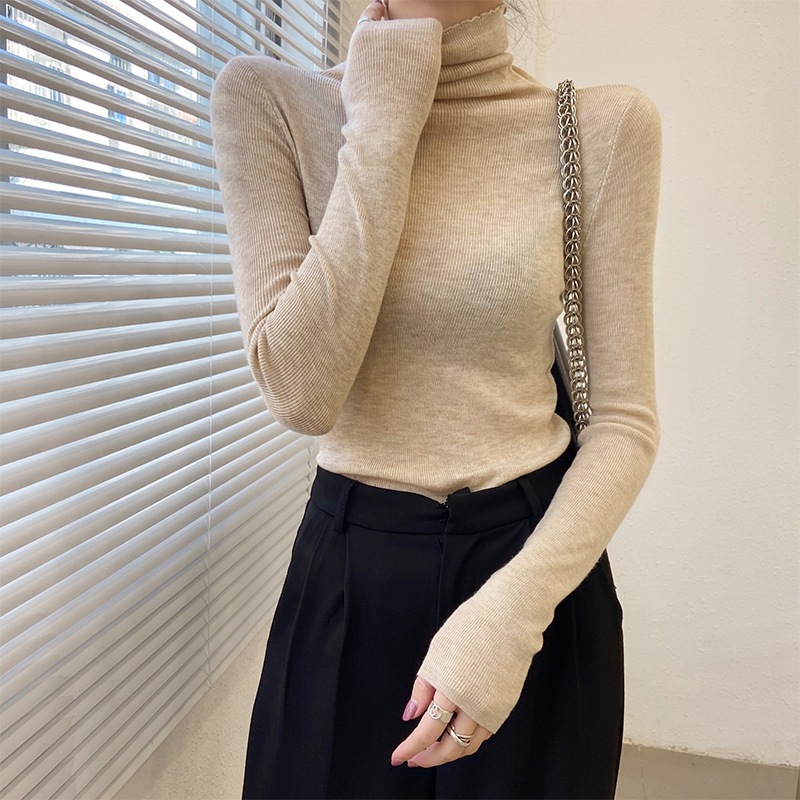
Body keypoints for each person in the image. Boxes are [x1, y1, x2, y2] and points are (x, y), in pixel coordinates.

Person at [209, 0, 662, 796]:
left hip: (529, 579)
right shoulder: (272, 100)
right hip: (350, 576)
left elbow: (624, 420)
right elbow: (301, 393)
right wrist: (383, 118)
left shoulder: (605, 125)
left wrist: (508, 619)